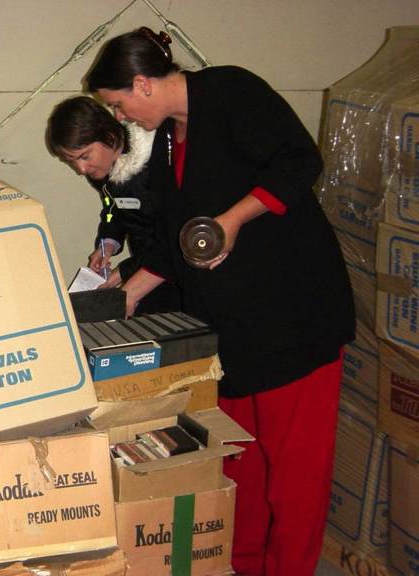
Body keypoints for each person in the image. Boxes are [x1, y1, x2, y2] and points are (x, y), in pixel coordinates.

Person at [86, 27, 355, 576]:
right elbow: (173, 236)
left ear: (142, 84)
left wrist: (232, 220)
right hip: (234, 328)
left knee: (294, 474)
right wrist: (126, 296)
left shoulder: (230, 91)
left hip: (293, 320)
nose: (121, 116)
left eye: (118, 104)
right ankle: (243, 563)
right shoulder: (168, 138)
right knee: (242, 462)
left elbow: (299, 161)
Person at [46, 95, 180, 314]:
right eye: (71, 161)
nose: (81, 169)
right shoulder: (103, 171)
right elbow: (113, 209)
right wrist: (107, 243)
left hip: (175, 272)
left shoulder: (155, 166)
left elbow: (169, 240)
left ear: (109, 137)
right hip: (147, 268)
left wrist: (124, 272)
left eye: (84, 156)